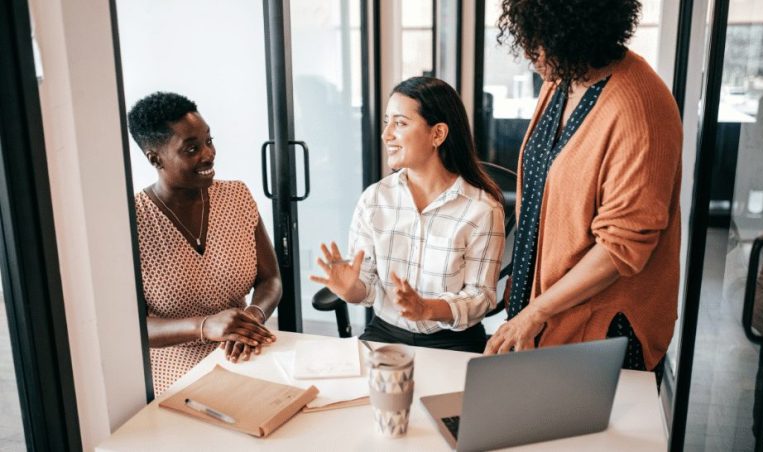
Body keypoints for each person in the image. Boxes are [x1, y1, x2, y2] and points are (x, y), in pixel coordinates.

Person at [484, 0, 682, 383]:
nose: (529, 53)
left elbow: (620, 247)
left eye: (539, 41)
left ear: (574, 33)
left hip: (601, 329)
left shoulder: (639, 107)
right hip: (542, 312)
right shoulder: (564, 79)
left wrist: (535, 312)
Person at [310, 77, 505, 353]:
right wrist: (349, 288)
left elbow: (480, 297)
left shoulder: (482, 208)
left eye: (400, 123)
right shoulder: (374, 199)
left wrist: (426, 308)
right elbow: (368, 287)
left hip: (452, 341)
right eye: (387, 121)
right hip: (385, 333)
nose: (386, 134)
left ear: (437, 134)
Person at [127, 92, 281, 394]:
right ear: (155, 158)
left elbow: (271, 278)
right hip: (176, 367)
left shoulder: (237, 197)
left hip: (244, 347)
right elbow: (132, 327)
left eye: (209, 141)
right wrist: (205, 326)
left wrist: (253, 316)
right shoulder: (132, 221)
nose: (208, 154)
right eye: (192, 148)